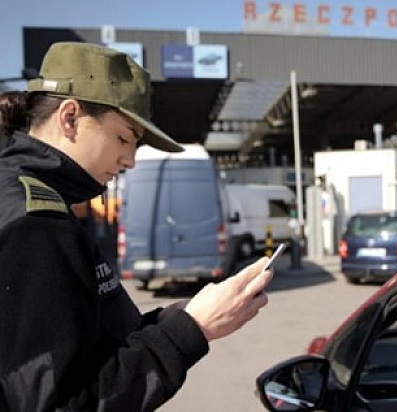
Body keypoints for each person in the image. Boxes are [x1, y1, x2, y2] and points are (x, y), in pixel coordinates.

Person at [0, 42, 273, 411]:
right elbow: (63, 402)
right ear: (69, 117)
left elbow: (95, 347)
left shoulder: (31, 200)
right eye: (123, 138)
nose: (130, 160)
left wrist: (187, 315)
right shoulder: (35, 225)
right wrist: (194, 329)